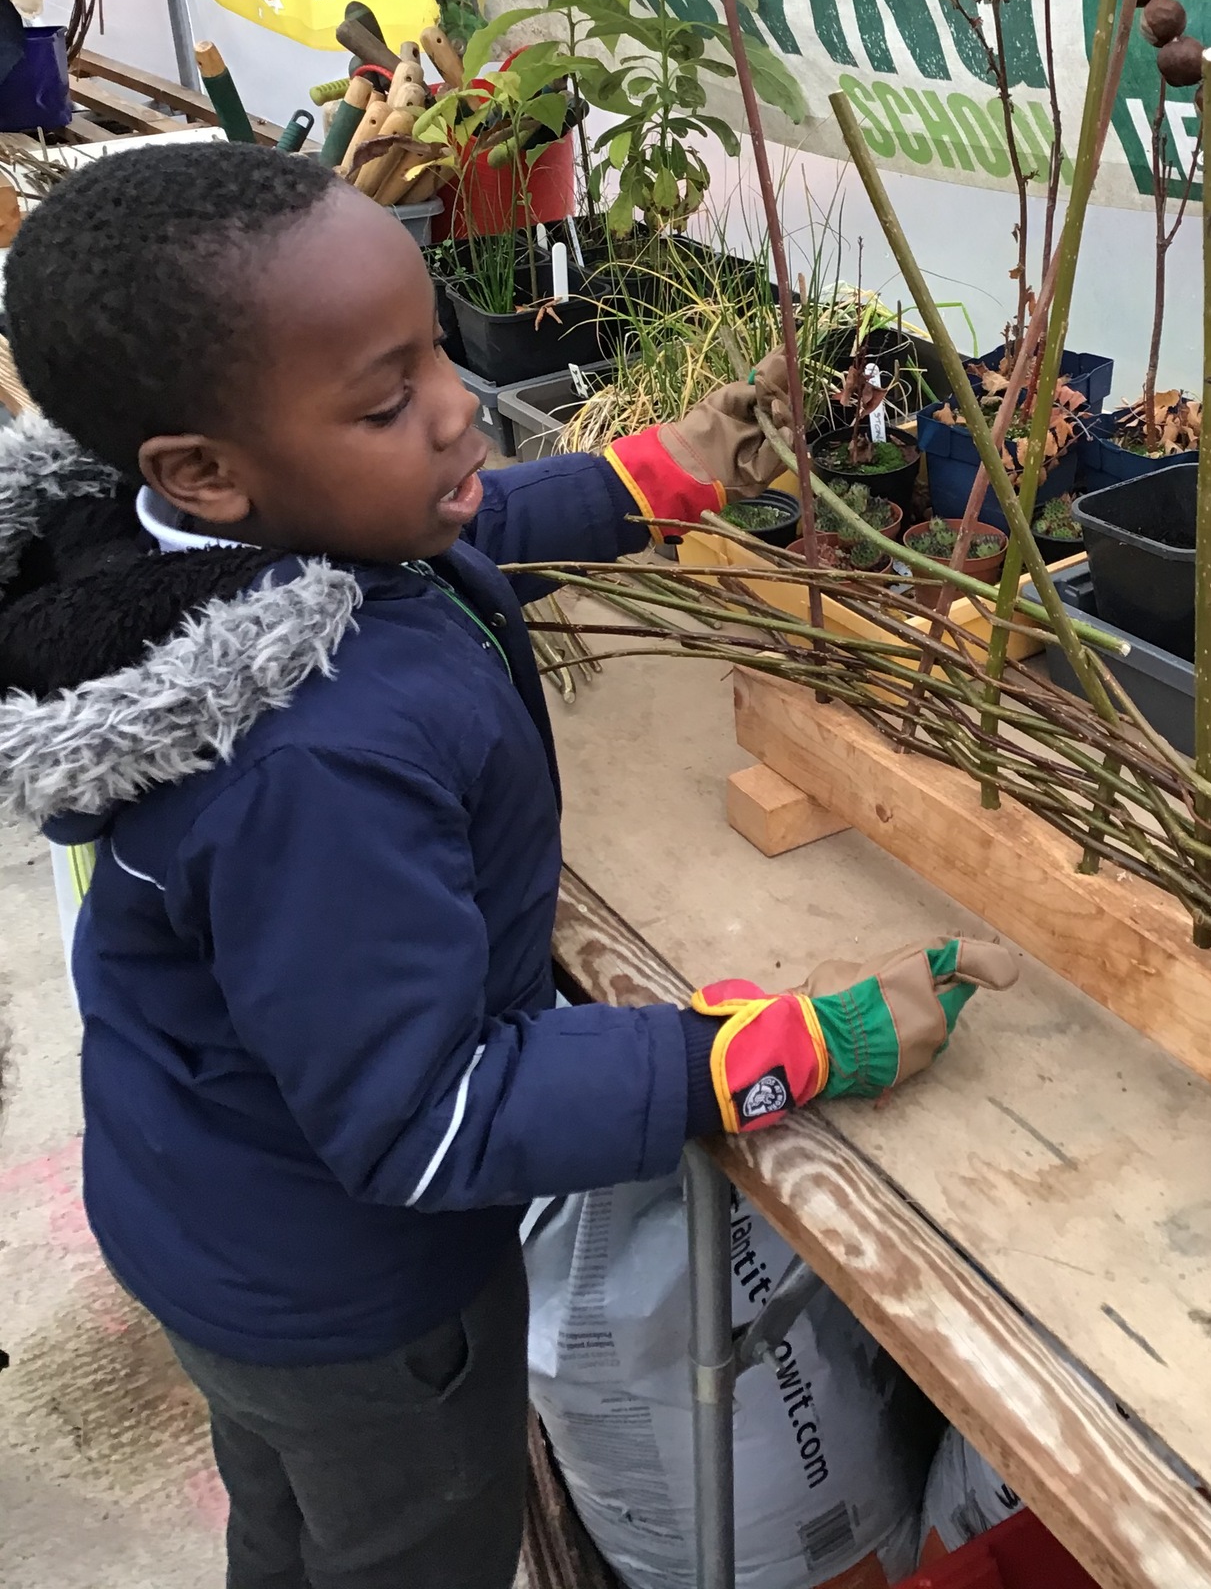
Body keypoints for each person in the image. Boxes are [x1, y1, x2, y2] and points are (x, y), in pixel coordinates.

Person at [0, 145, 1015, 1589]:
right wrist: (767, 1055)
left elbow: (433, 545)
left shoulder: (207, 558)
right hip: (355, 1300)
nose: (459, 407)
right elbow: (426, 1119)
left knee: (290, 1522)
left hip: (214, 1204)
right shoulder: (311, 765)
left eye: (435, 352)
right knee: (406, 1544)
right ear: (205, 472)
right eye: (388, 399)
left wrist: (654, 476)